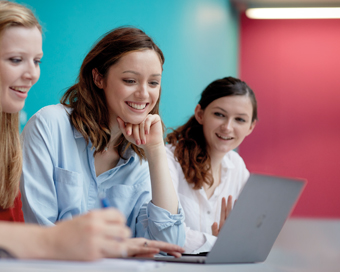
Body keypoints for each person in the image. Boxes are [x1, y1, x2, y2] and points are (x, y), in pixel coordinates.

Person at [0, 0, 183, 260]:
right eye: (130, 80)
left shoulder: (141, 157)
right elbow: (36, 232)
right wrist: (110, 249)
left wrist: (155, 152)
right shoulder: (49, 125)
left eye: (154, 82)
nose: (144, 93)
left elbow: (168, 246)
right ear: (99, 78)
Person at [165, 77, 257, 253]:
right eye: (219, 115)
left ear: (251, 127)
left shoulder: (237, 166)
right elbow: (168, 236)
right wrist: (219, 243)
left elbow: (247, 235)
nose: (227, 127)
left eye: (240, 120)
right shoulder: (168, 159)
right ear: (200, 114)